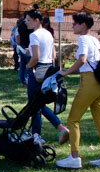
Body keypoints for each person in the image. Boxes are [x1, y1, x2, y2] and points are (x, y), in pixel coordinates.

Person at [56, 12, 100, 169]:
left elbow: (82, 59)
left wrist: (66, 72)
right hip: (99, 85)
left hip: (88, 84)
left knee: (73, 119)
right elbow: (88, 65)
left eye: (75, 23)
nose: (72, 26)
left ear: (83, 25)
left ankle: (74, 157)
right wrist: (68, 70)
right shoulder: (95, 40)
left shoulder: (82, 39)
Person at [23, 9, 68, 140]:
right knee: (38, 103)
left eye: (28, 20)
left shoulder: (34, 35)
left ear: (37, 20)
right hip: (49, 69)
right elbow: (53, 54)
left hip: (38, 70)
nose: (26, 23)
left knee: (34, 105)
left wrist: (28, 66)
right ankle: (58, 128)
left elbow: (36, 57)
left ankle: (38, 136)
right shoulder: (48, 33)